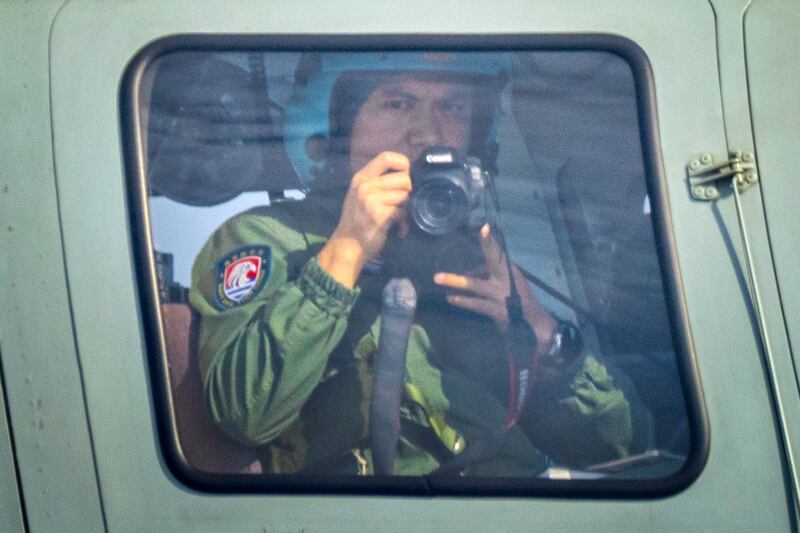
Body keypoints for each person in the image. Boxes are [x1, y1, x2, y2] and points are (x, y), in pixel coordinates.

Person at [188, 52, 651, 476]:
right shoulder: (271, 239)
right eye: (397, 104)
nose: (428, 133)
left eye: (452, 108)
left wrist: (544, 335)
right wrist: (343, 254)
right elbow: (244, 415)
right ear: (341, 124)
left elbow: (627, 453)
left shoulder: (480, 258)